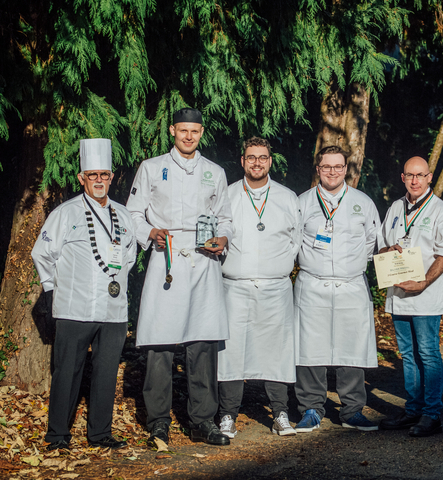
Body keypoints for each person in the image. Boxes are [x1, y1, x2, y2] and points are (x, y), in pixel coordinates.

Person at [126, 108, 233, 446]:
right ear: (172, 130)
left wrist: (224, 239)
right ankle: (158, 422)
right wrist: (150, 231)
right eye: (183, 130)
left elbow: (225, 217)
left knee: (202, 342)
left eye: (195, 131)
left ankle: (202, 421)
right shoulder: (152, 168)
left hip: (203, 260)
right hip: (166, 257)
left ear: (202, 132)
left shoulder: (214, 172)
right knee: (160, 342)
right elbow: (132, 213)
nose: (189, 137)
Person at [32, 138, 137, 450]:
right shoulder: (65, 213)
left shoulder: (123, 214)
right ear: (81, 178)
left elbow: (129, 257)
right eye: (93, 176)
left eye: (105, 175)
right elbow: (42, 254)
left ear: (112, 177)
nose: (99, 181)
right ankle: (58, 436)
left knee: (106, 373)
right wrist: (51, 290)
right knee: (67, 372)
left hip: (113, 308)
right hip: (74, 306)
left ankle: (100, 434)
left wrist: (115, 281)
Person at [216, 137, 301, 438]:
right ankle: (227, 415)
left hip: (275, 288)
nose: (257, 163)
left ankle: (280, 413)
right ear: (242, 161)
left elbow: (296, 241)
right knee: (231, 351)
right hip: (234, 286)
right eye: (251, 157)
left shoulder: (287, 197)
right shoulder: (225, 196)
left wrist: (274, 268)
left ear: (270, 161)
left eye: (262, 157)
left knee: (276, 351)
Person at [294, 146, 381, 433]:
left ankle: (352, 409)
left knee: (351, 347)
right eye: (326, 166)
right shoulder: (302, 202)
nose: (333, 171)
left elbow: (371, 242)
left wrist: (349, 265)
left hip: (350, 284)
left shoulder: (363, 202)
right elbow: (293, 241)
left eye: (338, 166)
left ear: (347, 169)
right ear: (317, 169)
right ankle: (310, 408)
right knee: (310, 348)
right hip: (313, 284)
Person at [377, 156, 443, 437]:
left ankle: (431, 414)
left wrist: (423, 282)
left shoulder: (441, 211)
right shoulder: (396, 207)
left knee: (428, 354)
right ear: (403, 178)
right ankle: (412, 410)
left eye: (420, 175)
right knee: (408, 355)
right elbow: (382, 244)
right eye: (409, 175)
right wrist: (388, 251)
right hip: (399, 293)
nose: (414, 180)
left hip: (425, 296)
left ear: (429, 177)